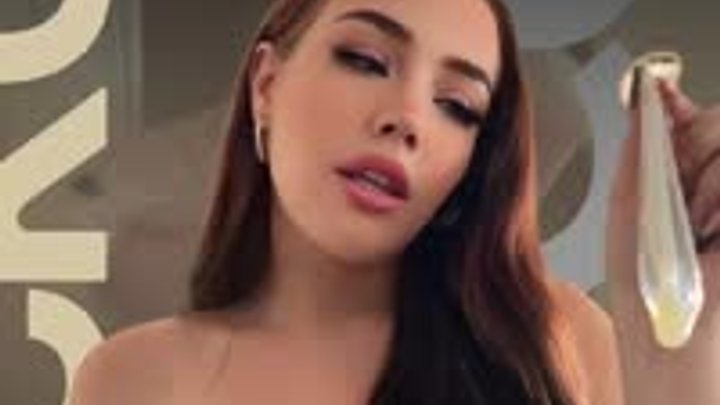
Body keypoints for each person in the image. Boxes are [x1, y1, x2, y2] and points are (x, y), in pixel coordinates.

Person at [68, 0, 720, 404]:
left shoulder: (553, 342)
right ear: (265, 84)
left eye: (457, 106)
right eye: (365, 60)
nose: (407, 118)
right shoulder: (132, 378)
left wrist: (677, 360)